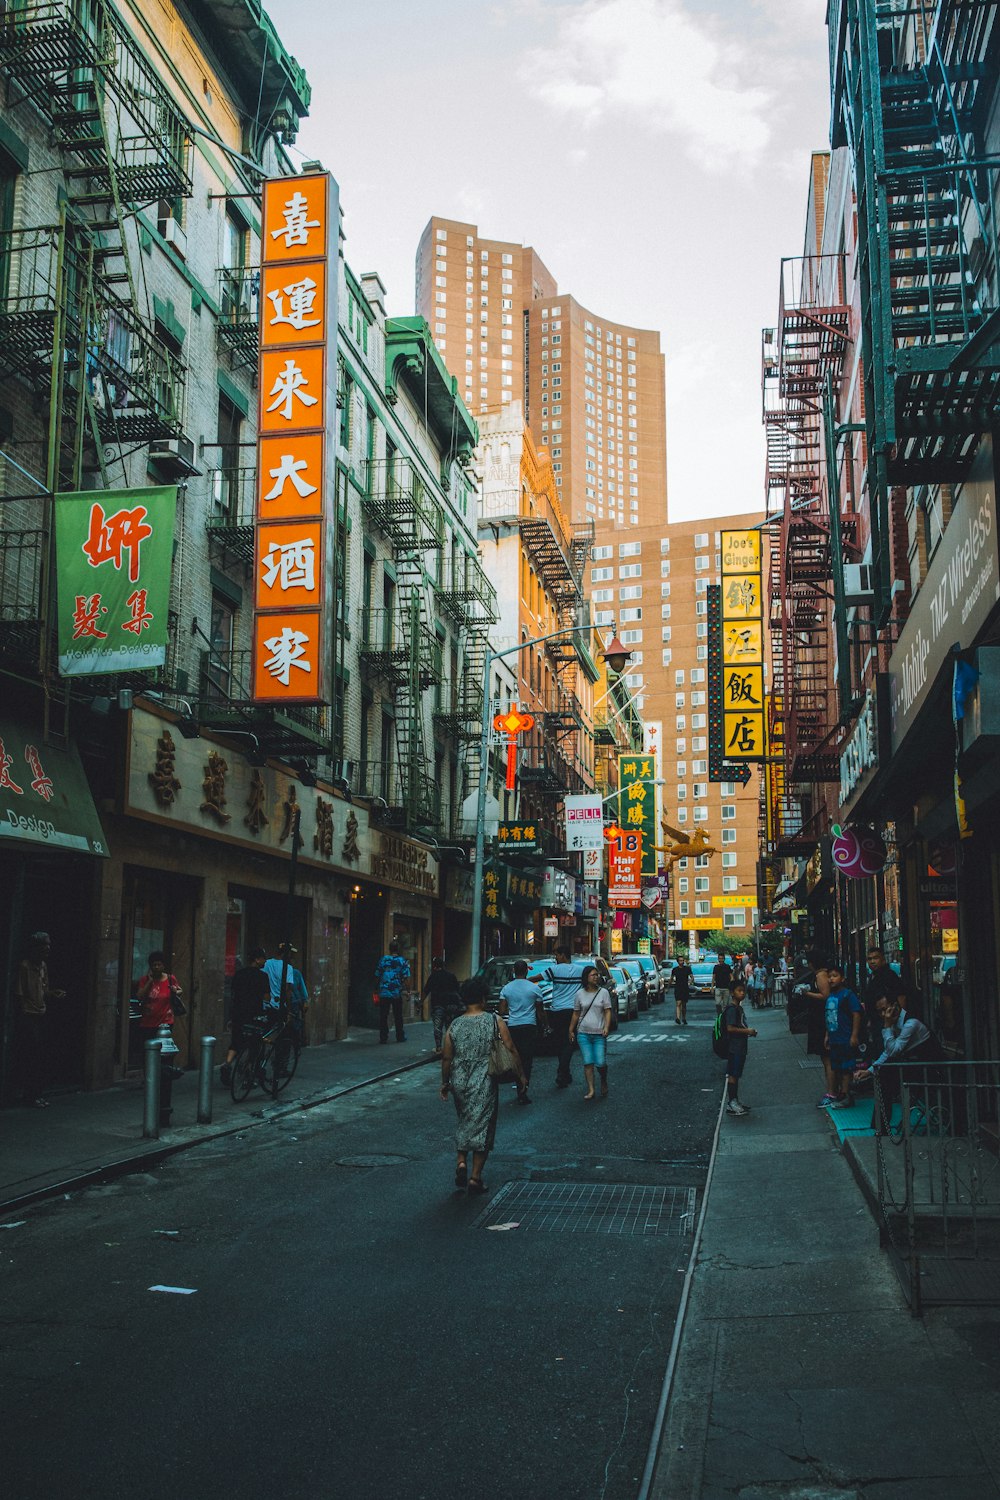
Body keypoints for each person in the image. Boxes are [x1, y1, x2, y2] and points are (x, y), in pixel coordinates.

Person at [440, 976, 525, 1196]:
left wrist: (445, 1082)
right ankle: (475, 1178)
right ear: (483, 998)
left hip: (459, 1079)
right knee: (483, 1126)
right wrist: (521, 1076)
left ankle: (461, 1161)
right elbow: (511, 1047)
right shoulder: (494, 1020)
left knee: (465, 1120)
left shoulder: (455, 1024)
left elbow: (447, 1057)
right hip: (484, 1078)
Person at [855, 993, 943, 1117]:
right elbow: (887, 1052)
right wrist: (870, 1071)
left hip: (932, 1069)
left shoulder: (911, 1023)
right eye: (880, 1011)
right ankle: (880, 1122)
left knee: (886, 1073)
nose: (883, 1014)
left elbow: (893, 1051)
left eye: (885, 1009)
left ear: (894, 1006)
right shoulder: (894, 1023)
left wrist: (887, 1026)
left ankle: (881, 1123)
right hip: (917, 1066)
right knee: (884, 1074)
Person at [14, 931, 65, 1108]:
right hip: (29, 1016)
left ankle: (37, 1093)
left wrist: (53, 994)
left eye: (49, 945)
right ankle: (29, 1095)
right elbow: (20, 993)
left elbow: (44, 991)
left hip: (42, 1014)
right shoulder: (25, 966)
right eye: (44, 946)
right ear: (35, 948)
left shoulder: (43, 966)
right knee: (31, 1056)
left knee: (42, 1056)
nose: (48, 949)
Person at [221, 947, 270, 1085]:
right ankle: (248, 1074)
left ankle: (227, 1063)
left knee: (236, 1041)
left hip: (238, 1013)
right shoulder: (262, 976)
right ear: (257, 959)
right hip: (254, 1015)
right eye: (263, 958)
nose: (265, 961)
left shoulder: (239, 974)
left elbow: (234, 993)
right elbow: (267, 997)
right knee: (254, 1044)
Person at [498, 960, 545, 1103]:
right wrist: (545, 1025)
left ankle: (518, 1083)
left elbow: (502, 1010)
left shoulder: (507, 988)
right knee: (527, 1059)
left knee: (515, 1056)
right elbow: (540, 1010)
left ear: (513, 971)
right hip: (529, 1026)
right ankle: (523, 1089)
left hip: (513, 1026)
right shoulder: (534, 988)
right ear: (526, 971)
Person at [823, 961, 863, 1109]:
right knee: (837, 1067)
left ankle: (846, 1095)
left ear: (842, 978)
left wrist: (854, 1035)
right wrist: (827, 1035)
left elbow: (856, 1014)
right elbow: (829, 1016)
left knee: (846, 1068)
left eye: (835, 976)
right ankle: (841, 1093)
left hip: (845, 1037)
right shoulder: (831, 996)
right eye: (829, 976)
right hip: (834, 1038)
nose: (831, 979)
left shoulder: (847, 995)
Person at [569, 965, 613, 1100]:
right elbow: (576, 1013)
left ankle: (603, 1080)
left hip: (599, 1033)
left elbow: (607, 1011)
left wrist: (607, 1026)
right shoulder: (579, 994)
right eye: (593, 975)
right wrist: (571, 1029)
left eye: (597, 975)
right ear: (586, 978)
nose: (596, 977)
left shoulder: (603, 993)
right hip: (583, 1033)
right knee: (588, 1062)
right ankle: (591, 1089)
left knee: (600, 1062)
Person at [544, 945, 585, 1088]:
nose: (555, 958)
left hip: (556, 1011)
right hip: (573, 1012)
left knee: (560, 1042)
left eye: (557, 955)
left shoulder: (554, 970)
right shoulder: (580, 970)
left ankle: (563, 1072)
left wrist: (521, 981)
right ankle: (564, 1072)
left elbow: (537, 978)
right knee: (569, 1042)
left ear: (563, 955)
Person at [723, 981, 757, 1116]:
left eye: (743, 991)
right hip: (734, 1047)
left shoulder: (738, 1008)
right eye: (739, 991)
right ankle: (732, 1103)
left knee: (736, 1074)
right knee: (733, 1074)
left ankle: (735, 1101)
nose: (742, 993)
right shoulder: (732, 1009)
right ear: (732, 993)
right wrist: (748, 1031)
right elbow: (730, 1028)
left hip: (740, 1046)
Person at [862, 947, 906, 1050]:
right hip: (876, 1021)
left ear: (883, 959)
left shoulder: (889, 975)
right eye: (869, 959)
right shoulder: (873, 976)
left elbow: (901, 997)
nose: (872, 961)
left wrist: (901, 1020)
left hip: (888, 1020)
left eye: (875, 958)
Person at [136, 951, 183, 1036]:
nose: (157, 967)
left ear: (163, 966)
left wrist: (175, 991)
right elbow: (139, 996)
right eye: (154, 965)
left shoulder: (170, 978)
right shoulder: (145, 980)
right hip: (148, 1022)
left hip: (165, 1022)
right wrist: (149, 982)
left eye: (159, 965)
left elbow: (180, 991)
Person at [423, 956, 463, 1055]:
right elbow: (458, 990)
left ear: (434, 966)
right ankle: (450, 1047)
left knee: (438, 1027)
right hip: (451, 1005)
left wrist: (420, 1003)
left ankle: (439, 1048)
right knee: (449, 1027)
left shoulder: (433, 977)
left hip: (438, 1004)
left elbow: (426, 991)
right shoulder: (451, 976)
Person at [374, 939, 411, 1043]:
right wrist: (408, 991)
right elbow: (407, 978)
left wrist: (376, 988)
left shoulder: (383, 960)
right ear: (398, 949)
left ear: (389, 949)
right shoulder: (402, 961)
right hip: (396, 992)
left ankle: (383, 1037)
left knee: (383, 1015)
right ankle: (400, 1036)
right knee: (398, 1015)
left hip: (384, 991)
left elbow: (377, 975)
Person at [672, 956, 693, 1025]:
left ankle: (683, 1018)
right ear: (678, 962)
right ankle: (678, 1018)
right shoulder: (675, 969)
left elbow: (692, 977)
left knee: (684, 1004)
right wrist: (667, 987)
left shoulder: (687, 969)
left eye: (682, 960)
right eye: (680, 961)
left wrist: (690, 982)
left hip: (685, 988)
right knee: (678, 1003)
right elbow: (671, 978)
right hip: (678, 988)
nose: (681, 962)